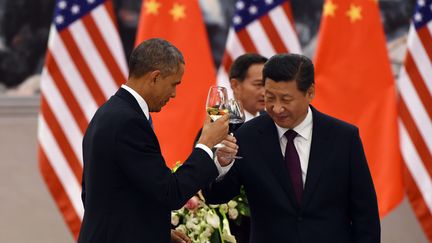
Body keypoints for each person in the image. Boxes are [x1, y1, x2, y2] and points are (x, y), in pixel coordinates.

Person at [204, 53, 380, 243]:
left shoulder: (344, 137)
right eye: (270, 97)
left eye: (286, 99)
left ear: (310, 93)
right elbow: (216, 196)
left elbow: (365, 215)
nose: (277, 108)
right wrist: (221, 165)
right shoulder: (247, 136)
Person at [78, 38, 236, 243]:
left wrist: (154, 232)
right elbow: (170, 192)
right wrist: (206, 143)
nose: (174, 94)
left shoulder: (111, 112)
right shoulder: (127, 122)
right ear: (155, 77)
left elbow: (106, 193)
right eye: (173, 84)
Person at [229, 53, 267, 121]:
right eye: (258, 84)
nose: (264, 93)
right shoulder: (218, 125)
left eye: (267, 85)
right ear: (235, 85)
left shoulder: (273, 121)